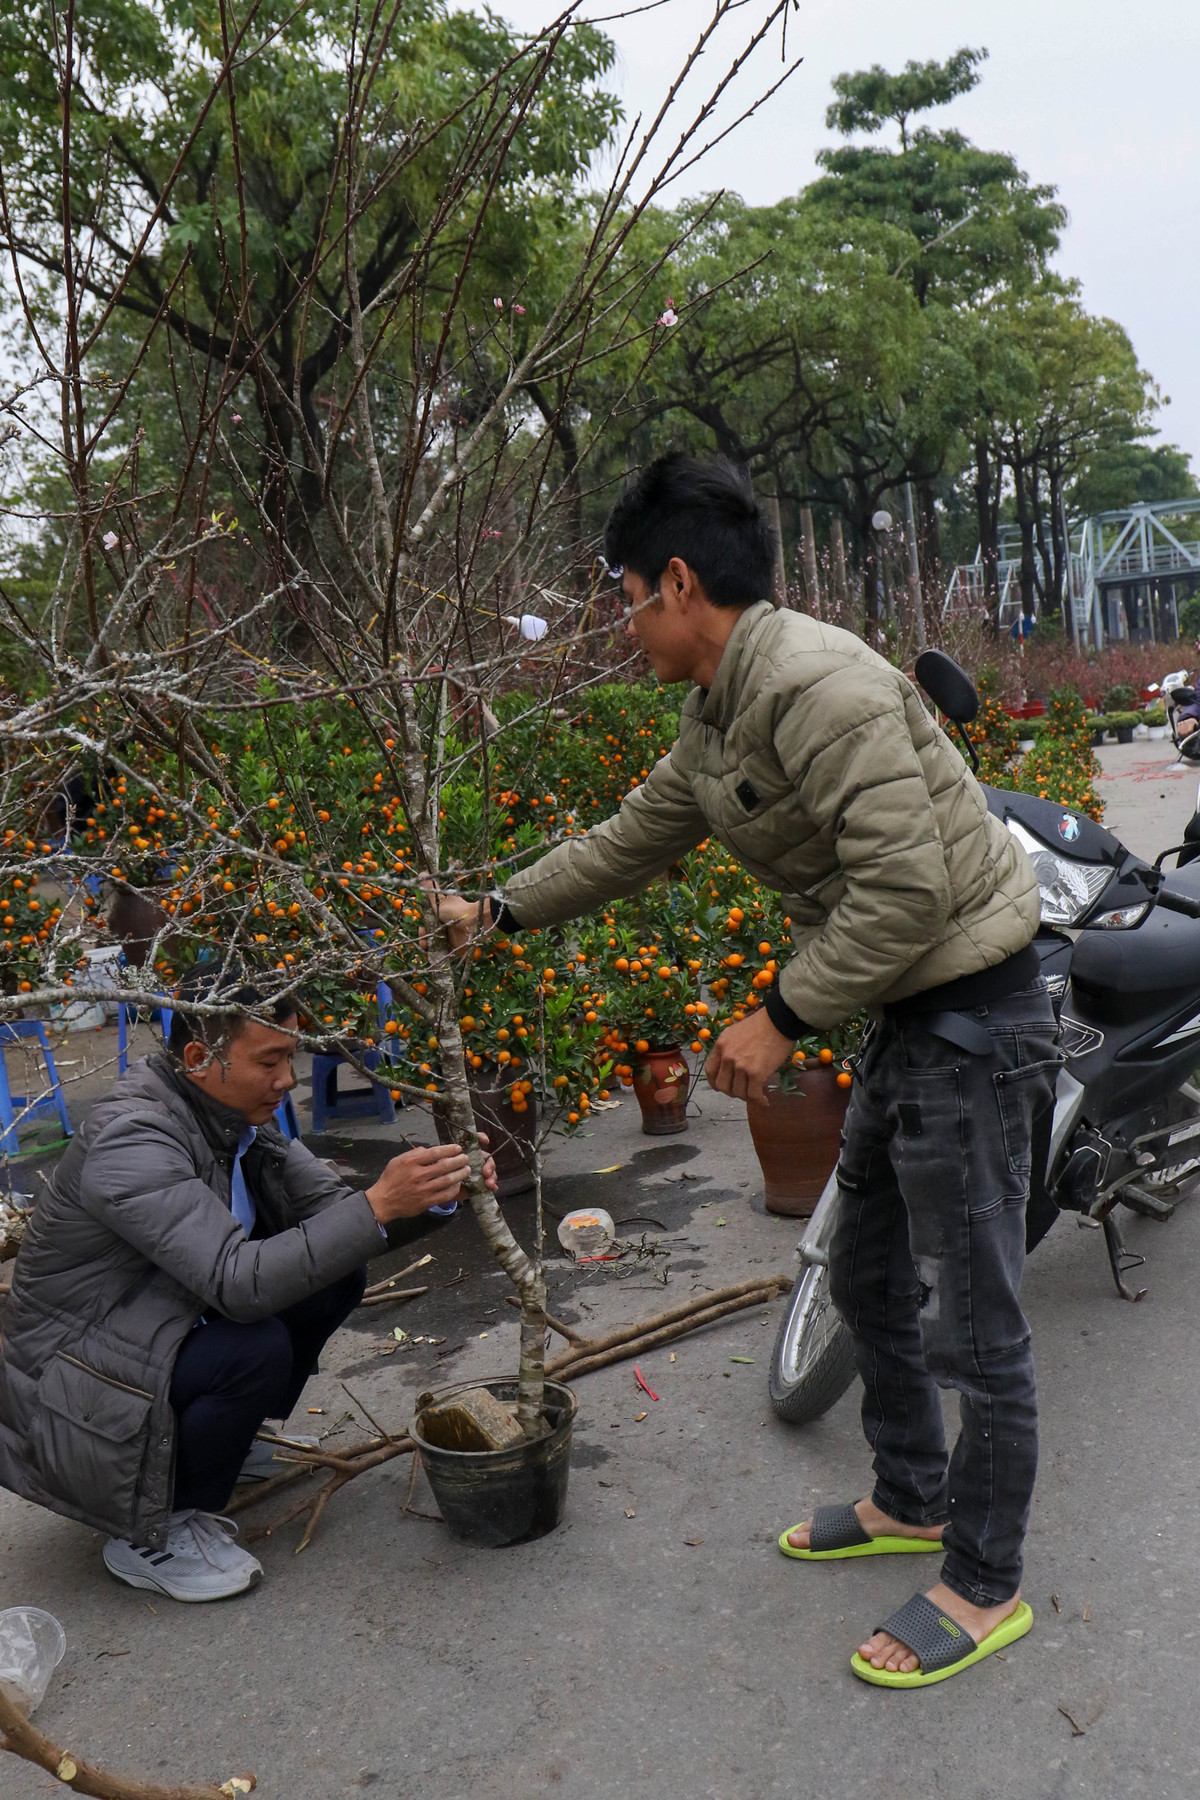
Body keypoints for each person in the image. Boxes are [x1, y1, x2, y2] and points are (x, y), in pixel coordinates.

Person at [434, 453, 1059, 1687]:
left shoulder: (821, 688)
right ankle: (910, 1497)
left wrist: (778, 1015)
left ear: (680, 584)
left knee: (977, 1322)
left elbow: (910, 888)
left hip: (973, 1014)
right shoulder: (718, 710)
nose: (624, 624)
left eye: (627, 597)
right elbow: (630, 838)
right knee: (869, 1272)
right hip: (904, 1012)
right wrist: (495, 911)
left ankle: (985, 1582)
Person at [0, 973, 493, 1602]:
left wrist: (430, 1195)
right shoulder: (134, 1138)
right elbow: (241, 1283)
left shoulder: (237, 1123)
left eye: (290, 1056)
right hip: (67, 1397)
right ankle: (157, 1532)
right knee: (251, 1347)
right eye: (270, 1059)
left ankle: (222, 1443)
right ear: (200, 1059)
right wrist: (377, 1203)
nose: (287, 1079)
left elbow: (338, 1217)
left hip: (145, 1335)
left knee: (332, 1272)